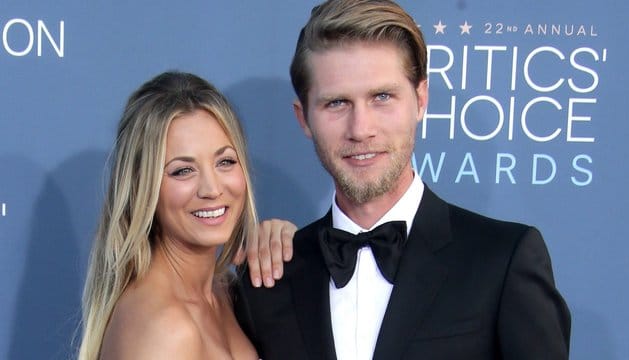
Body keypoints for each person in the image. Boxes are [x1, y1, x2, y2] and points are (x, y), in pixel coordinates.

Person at [234, 0, 571, 359]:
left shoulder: (503, 260)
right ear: (304, 119)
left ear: (421, 99)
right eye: (336, 103)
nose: (361, 129)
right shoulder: (267, 278)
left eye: (382, 97)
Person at [78, 71, 295, 359]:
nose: (212, 188)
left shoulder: (226, 293)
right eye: (183, 170)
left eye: (225, 161)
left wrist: (293, 244)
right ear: (143, 186)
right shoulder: (164, 327)